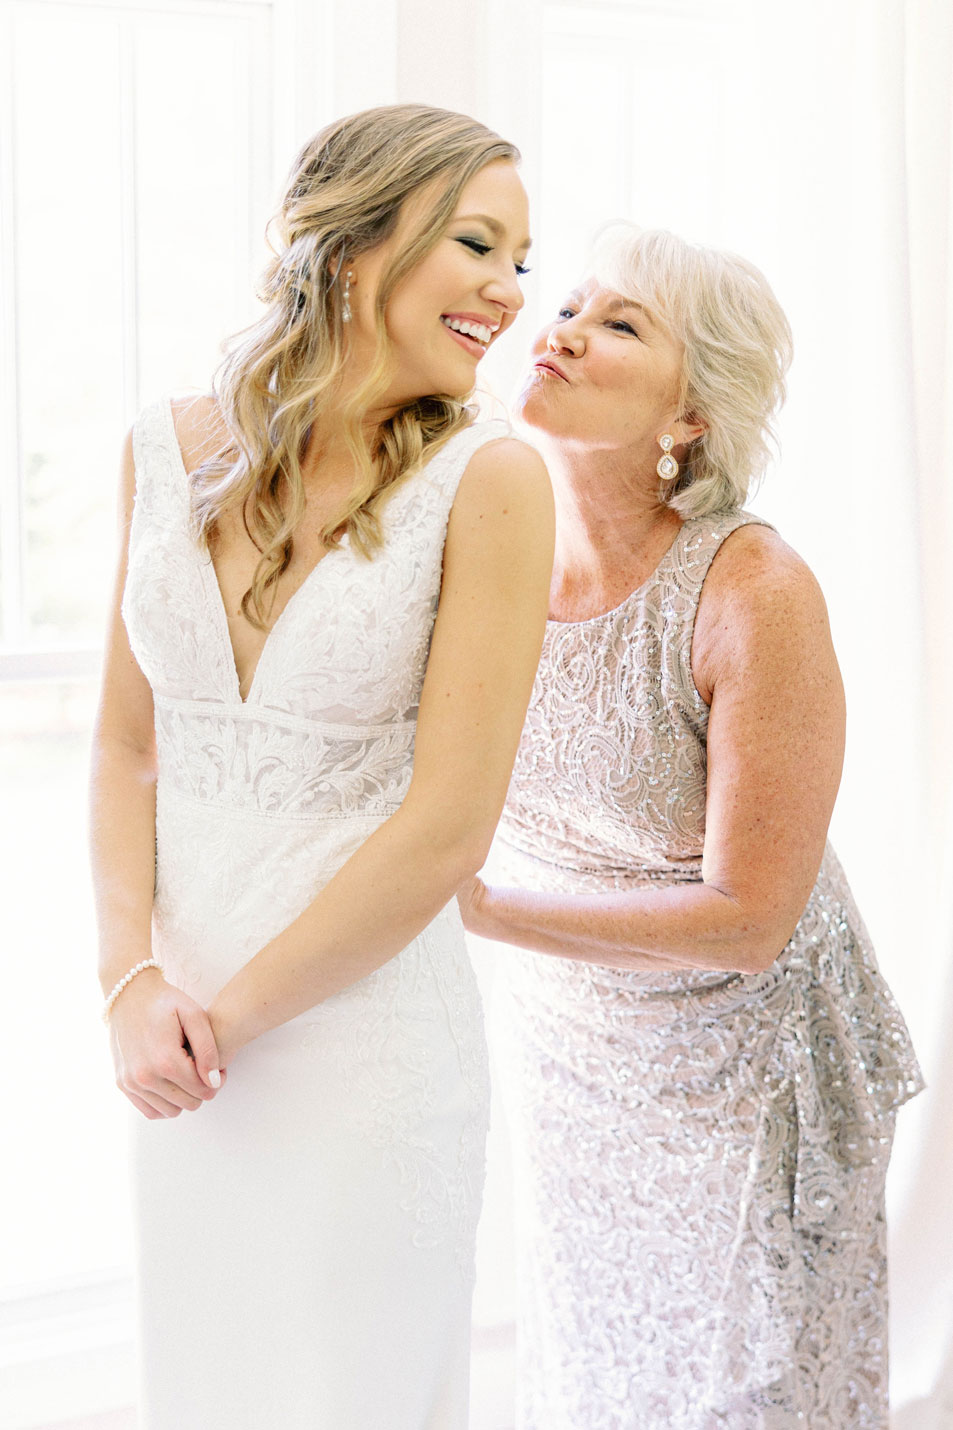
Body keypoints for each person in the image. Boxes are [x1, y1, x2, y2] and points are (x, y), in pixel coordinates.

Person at [89, 103, 554, 1429]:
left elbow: (446, 828)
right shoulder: (158, 453)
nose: (511, 292)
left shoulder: (494, 481)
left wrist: (225, 1022)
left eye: (522, 258)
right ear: (355, 245)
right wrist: (131, 986)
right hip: (174, 1048)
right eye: (479, 242)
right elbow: (127, 750)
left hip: (362, 1058)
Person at [459, 224, 924, 1429]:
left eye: (619, 324)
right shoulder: (485, 550)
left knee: (749, 1392)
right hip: (575, 1057)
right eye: (565, 303)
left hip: (749, 1072)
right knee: (599, 1375)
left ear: (689, 417)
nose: (557, 328)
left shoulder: (750, 588)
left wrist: (485, 911)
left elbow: (748, 918)